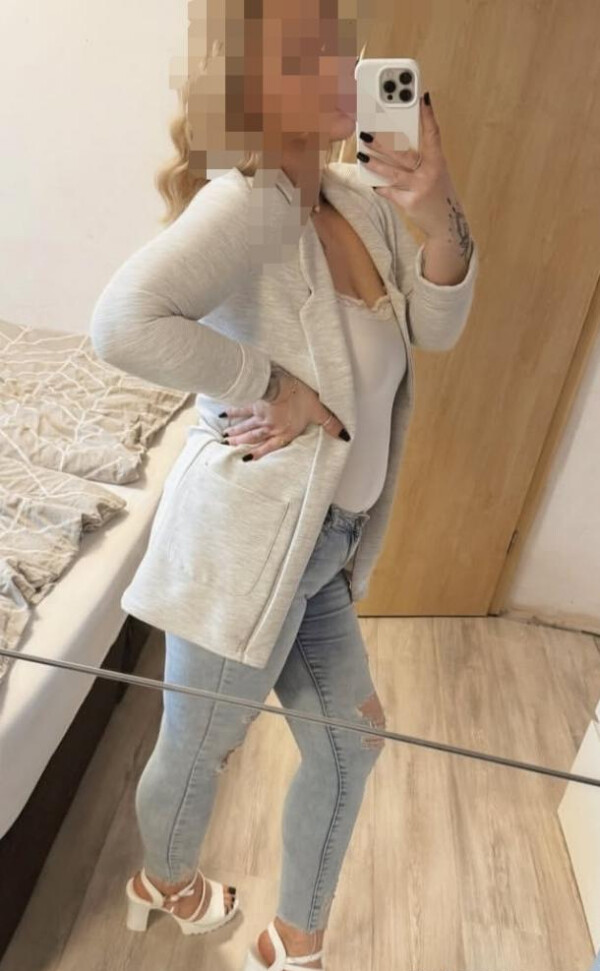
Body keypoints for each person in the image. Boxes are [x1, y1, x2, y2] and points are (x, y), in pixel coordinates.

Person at [91, 2, 479, 968]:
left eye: (340, 41)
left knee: (351, 745)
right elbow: (123, 322)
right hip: (248, 546)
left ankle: (295, 942)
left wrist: (437, 207)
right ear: (252, 85)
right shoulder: (253, 202)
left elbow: (437, 327)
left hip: (322, 549)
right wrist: (273, 386)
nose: (341, 63)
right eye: (307, 52)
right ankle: (162, 881)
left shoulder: (351, 198)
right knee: (201, 746)